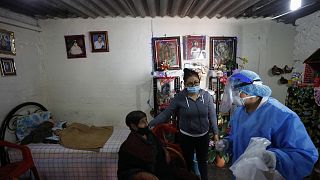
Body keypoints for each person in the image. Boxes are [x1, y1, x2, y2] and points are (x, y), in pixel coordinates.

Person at [215, 70, 319, 180]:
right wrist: (228, 143)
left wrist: (275, 158)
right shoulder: (240, 112)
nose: (232, 94)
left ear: (249, 90)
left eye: (235, 90)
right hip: (242, 174)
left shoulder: (283, 116)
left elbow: (305, 155)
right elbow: (240, 138)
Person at [149, 68, 219, 180]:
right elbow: (166, 114)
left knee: (203, 163)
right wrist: (151, 123)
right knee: (187, 163)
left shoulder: (206, 96)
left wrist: (216, 133)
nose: (193, 85)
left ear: (199, 80)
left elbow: (212, 115)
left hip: (203, 136)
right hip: (186, 137)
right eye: (190, 83)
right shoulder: (179, 98)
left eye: (196, 82)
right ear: (185, 84)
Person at [117, 110, 199, 180]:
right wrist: (141, 174)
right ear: (133, 126)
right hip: (153, 175)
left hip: (166, 168)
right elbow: (123, 173)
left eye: (146, 120)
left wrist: (165, 151)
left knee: (192, 177)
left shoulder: (149, 134)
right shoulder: (128, 147)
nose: (146, 124)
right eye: (142, 122)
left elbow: (159, 145)